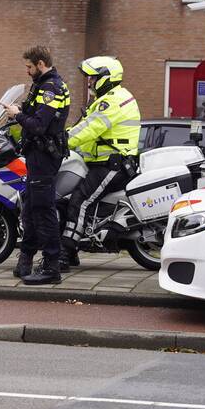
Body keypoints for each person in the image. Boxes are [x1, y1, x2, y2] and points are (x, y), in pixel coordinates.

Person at [61, 56, 141, 268]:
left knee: (80, 201)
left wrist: (62, 141)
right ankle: (75, 246)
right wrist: (64, 136)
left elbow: (91, 129)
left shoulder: (112, 101)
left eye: (93, 78)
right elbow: (85, 126)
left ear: (106, 77)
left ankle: (65, 254)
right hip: (105, 162)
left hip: (112, 164)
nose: (89, 82)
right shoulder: (111, 97)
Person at [2, 46, 71, 285]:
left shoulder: (51, 87)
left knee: (43, 210)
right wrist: (20, 110)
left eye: (29, 67)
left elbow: (39, 125)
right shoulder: (43, 84)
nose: (27, 71)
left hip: (44, 155)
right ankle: (26, 261)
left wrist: (16, 116)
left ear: (40, 63)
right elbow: (36, 113)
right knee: (30, 207)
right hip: (37, 154)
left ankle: (52, 266)